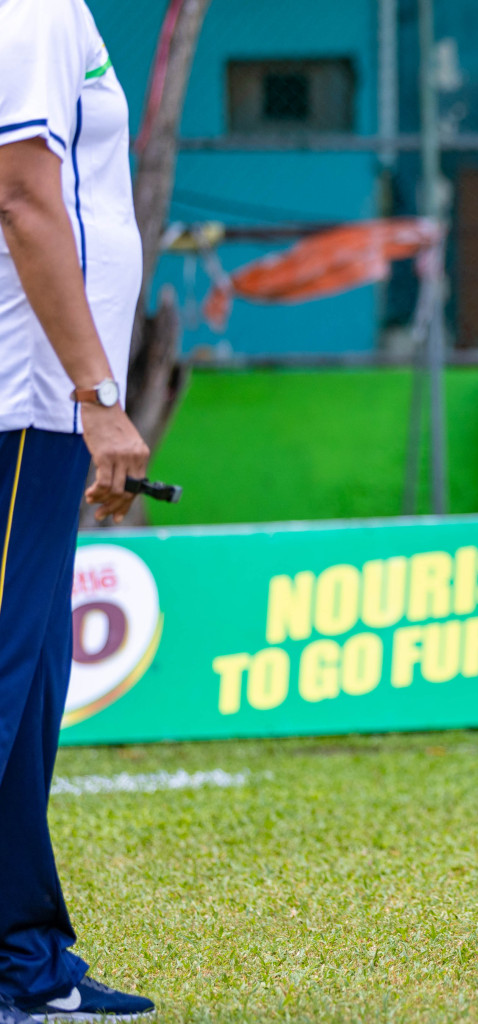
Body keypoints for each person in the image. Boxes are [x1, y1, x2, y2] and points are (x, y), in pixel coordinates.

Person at [0, 0, 156, 1019]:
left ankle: (25, 961)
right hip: (26, 404)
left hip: (40, 416)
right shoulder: (29, 11)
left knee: (28, 700)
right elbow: (21, 196)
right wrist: (99, 396)